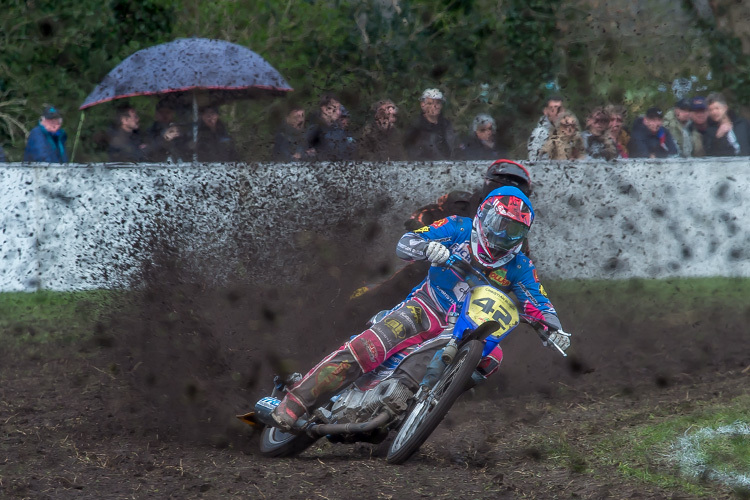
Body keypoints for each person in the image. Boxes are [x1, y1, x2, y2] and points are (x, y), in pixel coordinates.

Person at [271, 185, 569, 431]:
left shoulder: (520, 266)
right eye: (501, 225)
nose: (504, 236)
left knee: (492, 356)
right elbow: (407, 241)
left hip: (463, 326)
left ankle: (423, 404)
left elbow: (539, 302)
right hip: (424, 307)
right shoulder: (457, 227)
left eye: (514, 231)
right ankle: (295, 403)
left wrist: (553, 329)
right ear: (484, 215)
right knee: (369, 347)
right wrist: (428, 248)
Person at [404, 88, 456, 161]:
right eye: (430, 103)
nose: (434, 106)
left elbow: (454, 149)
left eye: (437, 103)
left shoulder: (447, 125)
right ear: (422, 105)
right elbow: (409, 151)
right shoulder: (416, 126)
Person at [306, 94, 355, 161]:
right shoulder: (313, 131)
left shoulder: (340, 132)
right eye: (335, 108)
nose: (339, 112)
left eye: (339, 109)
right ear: (324, 109)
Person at [704, 92, 750, 157]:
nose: (714, 112)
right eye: (710, 110)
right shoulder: (710, 132)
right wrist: (718, 137)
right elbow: (709, 155)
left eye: (717, 108)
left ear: (725, 108)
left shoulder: (742, 124)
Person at [527, 95, 563, 161]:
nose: (557, 113)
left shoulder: (567, 131)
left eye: (559, 109)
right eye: (553, 109)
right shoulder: (539, 134)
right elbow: (534, 162)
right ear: (546, 111)